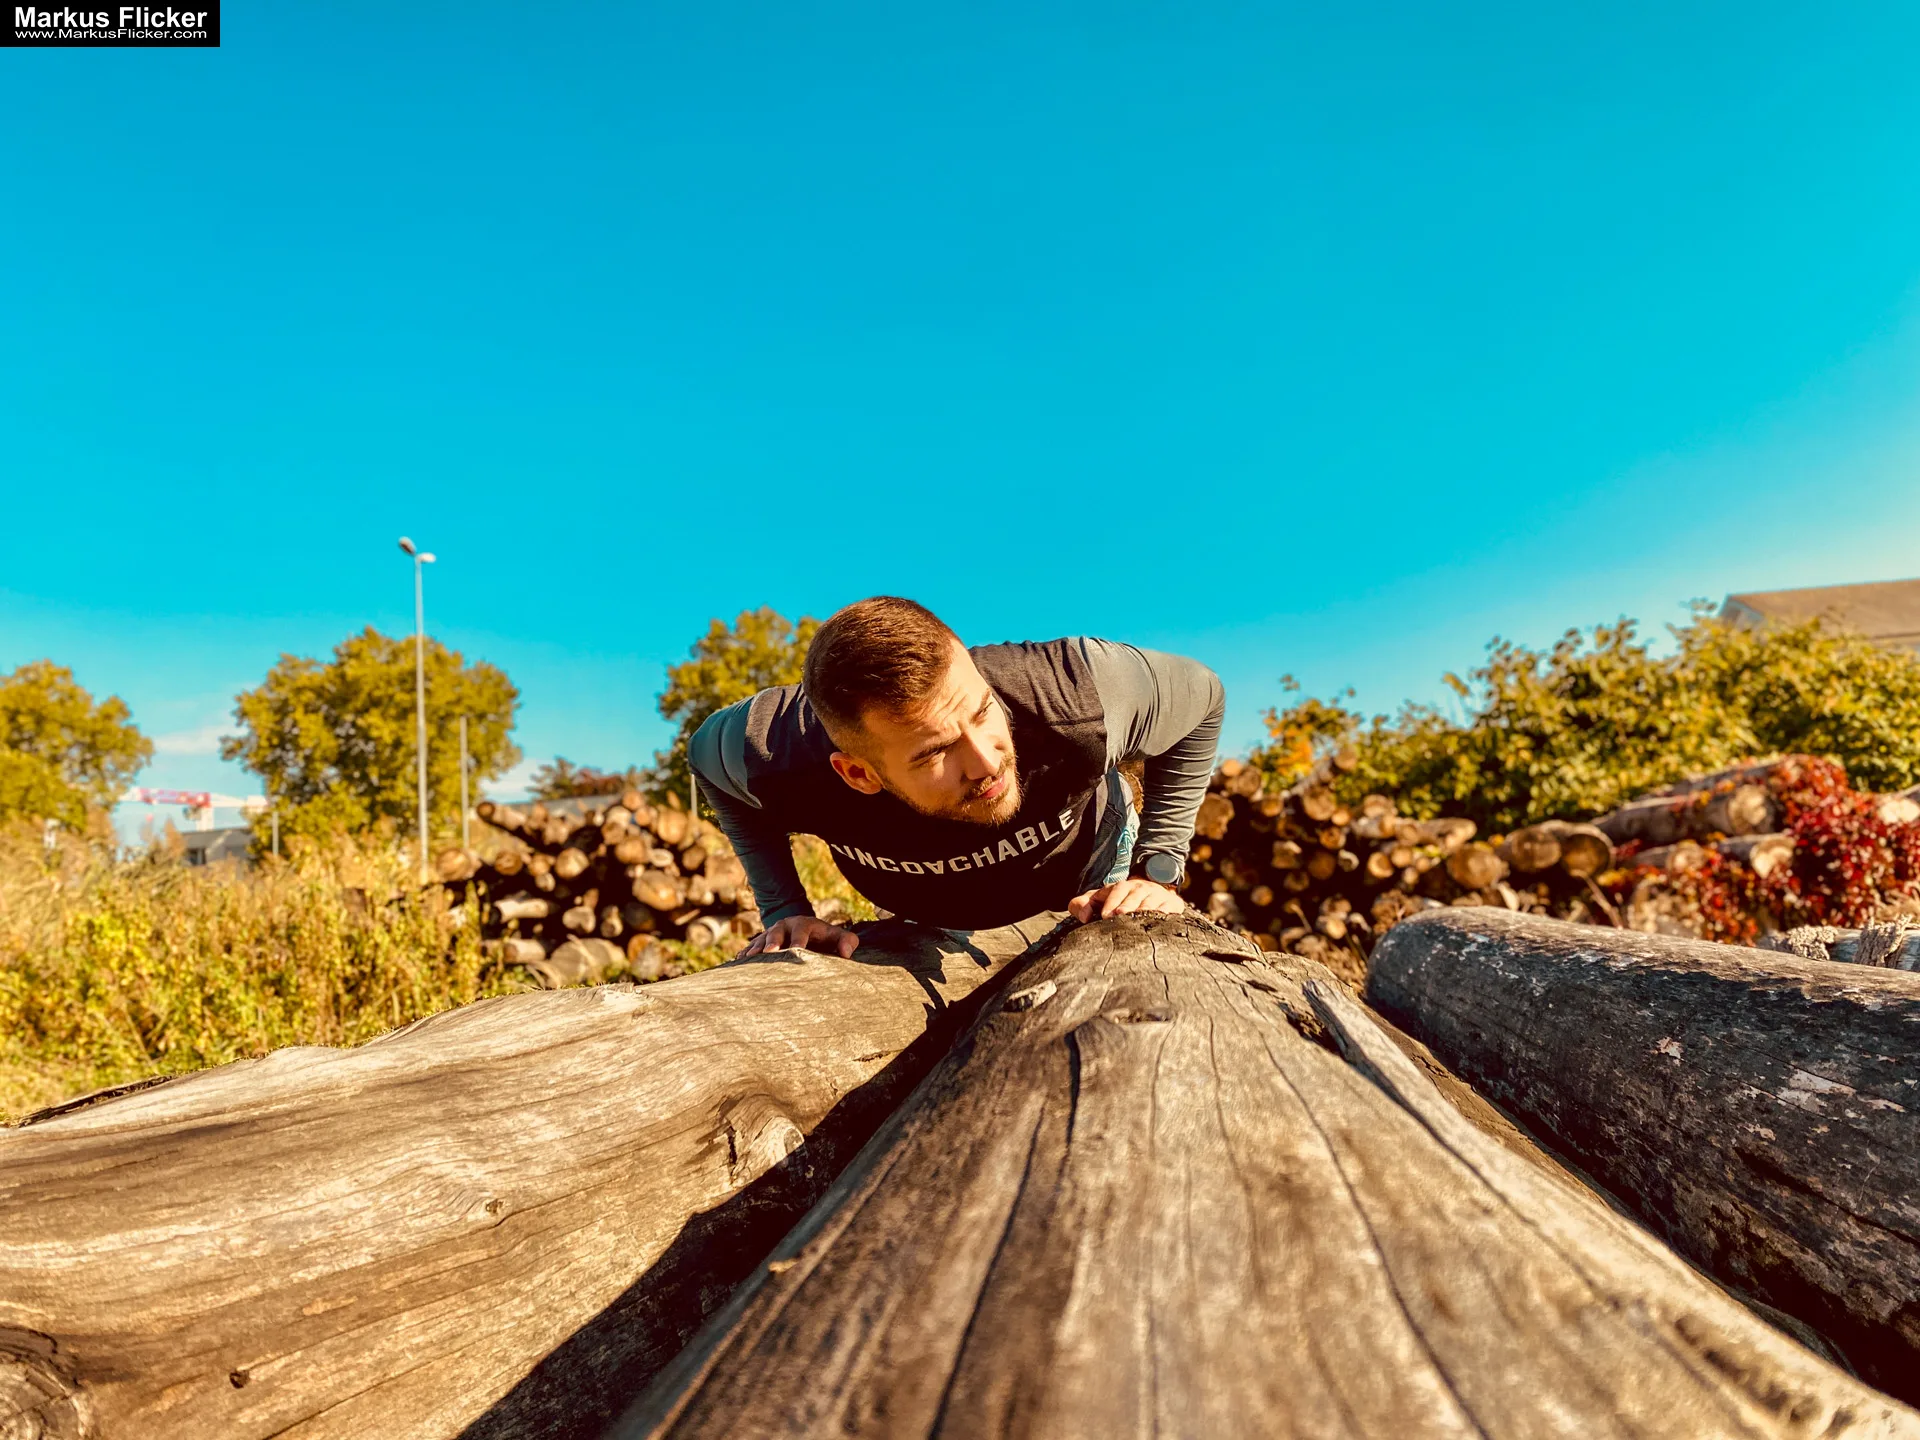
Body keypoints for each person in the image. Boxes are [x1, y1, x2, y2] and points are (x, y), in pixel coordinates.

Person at [690, 596, 1224, 957]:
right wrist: (785, 909)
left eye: (982, 711)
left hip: (1089, 870)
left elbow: (1204, 696)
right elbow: (705, 762)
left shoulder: (1075, 693)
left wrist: (1157, 870)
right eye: (935, 752)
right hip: (920, 905)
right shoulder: (773, 755)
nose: (988, 762)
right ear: (858, 773)